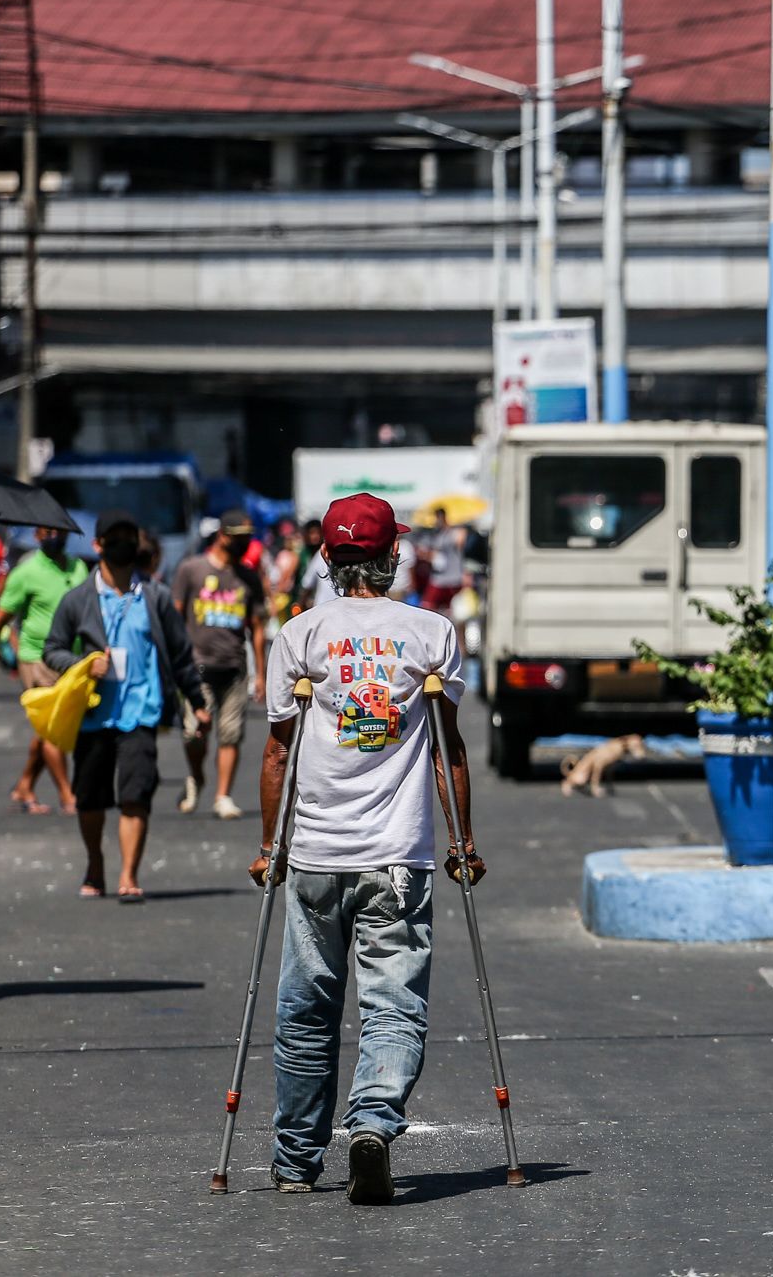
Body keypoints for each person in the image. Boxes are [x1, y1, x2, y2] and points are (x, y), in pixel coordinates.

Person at [255, 492, 477, 1204]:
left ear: (326, 557)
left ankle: (295, 1160)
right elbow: (449, 750)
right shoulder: (431, 633)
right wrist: (463, 841)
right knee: (392, 1005)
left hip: (318, 853)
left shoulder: (298, 636)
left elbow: (274, 753)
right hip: (396, 857)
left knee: (307, 1008)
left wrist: (271, 843)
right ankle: (373, 1119)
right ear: (391, 557)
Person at [43, 509, 210, 902]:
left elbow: (180, 654)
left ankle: (129, 874)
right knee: (90, 798)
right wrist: (82, 664)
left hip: (142, 711)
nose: (123, 544)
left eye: (128, 536)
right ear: (97, 545)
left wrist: (198, 703)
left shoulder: (154, 596)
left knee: (136, 793)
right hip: (93, 715)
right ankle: (95, 863)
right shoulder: (78, 599)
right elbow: (53, 648)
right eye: (114, 537)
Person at [172, 509, 267, 820]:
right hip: (196, 666)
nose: (245, 543)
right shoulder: (192, 569)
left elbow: (256, 627)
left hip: (234, 668)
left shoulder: (248, 577)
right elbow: (175, 616)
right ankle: (196, 776)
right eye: (239, 538)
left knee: (230, 734)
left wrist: (260, 674)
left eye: (248, 538)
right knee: (194, 733)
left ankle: (222, 795)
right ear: (223, 536)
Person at [0, 526, 90, 815]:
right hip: (35, 659)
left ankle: (25, 785)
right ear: (36, 536)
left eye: (58, 532)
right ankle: (67, 794)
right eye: (46, 532)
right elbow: (0, 617)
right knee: (50, 728)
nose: (53, 537)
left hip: (70, 661)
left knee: (52, 727)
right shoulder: (26, 572)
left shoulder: (79, 566)